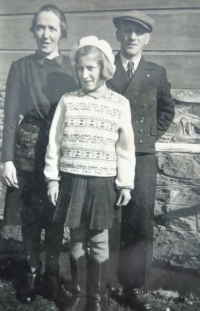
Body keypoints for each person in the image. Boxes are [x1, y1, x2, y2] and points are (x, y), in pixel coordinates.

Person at [44, 36, 135, 311]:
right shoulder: (69, 101)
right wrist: (52, 178)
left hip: (102, 182)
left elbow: (125, 148)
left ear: (104, 69)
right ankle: (77, 293)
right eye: (81, 69)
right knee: (76, 239)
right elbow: (55, 141)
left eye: (91, 69)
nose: (85, 74)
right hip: (72, 180)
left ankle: (96, 299)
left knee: (98, 240)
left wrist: (125, 184)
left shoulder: (119, 103)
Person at [1, 4, 77, 304]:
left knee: (57, 214)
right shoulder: (20, 66)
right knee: (31, 216)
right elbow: (9, 118)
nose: (46, 34)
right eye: (40, 28)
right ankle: (33, 269)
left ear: (62, 32)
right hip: (28, 150)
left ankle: (53, 272)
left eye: (52, 28)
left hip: (61, 149)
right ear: (34, 31)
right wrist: (6, 159)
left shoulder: (72, 67)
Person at [106, 11, 175, 311]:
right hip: (106, 154)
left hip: (142, 157)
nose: (132, 37)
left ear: (147, 38)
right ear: (118, 35)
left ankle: (132, 288)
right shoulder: (104, 69)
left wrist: (146, 138)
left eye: (138, 32)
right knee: (104, 218)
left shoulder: (156, 72)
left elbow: (166, 111)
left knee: (139, 222)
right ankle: (101, 280)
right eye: (127, 31)